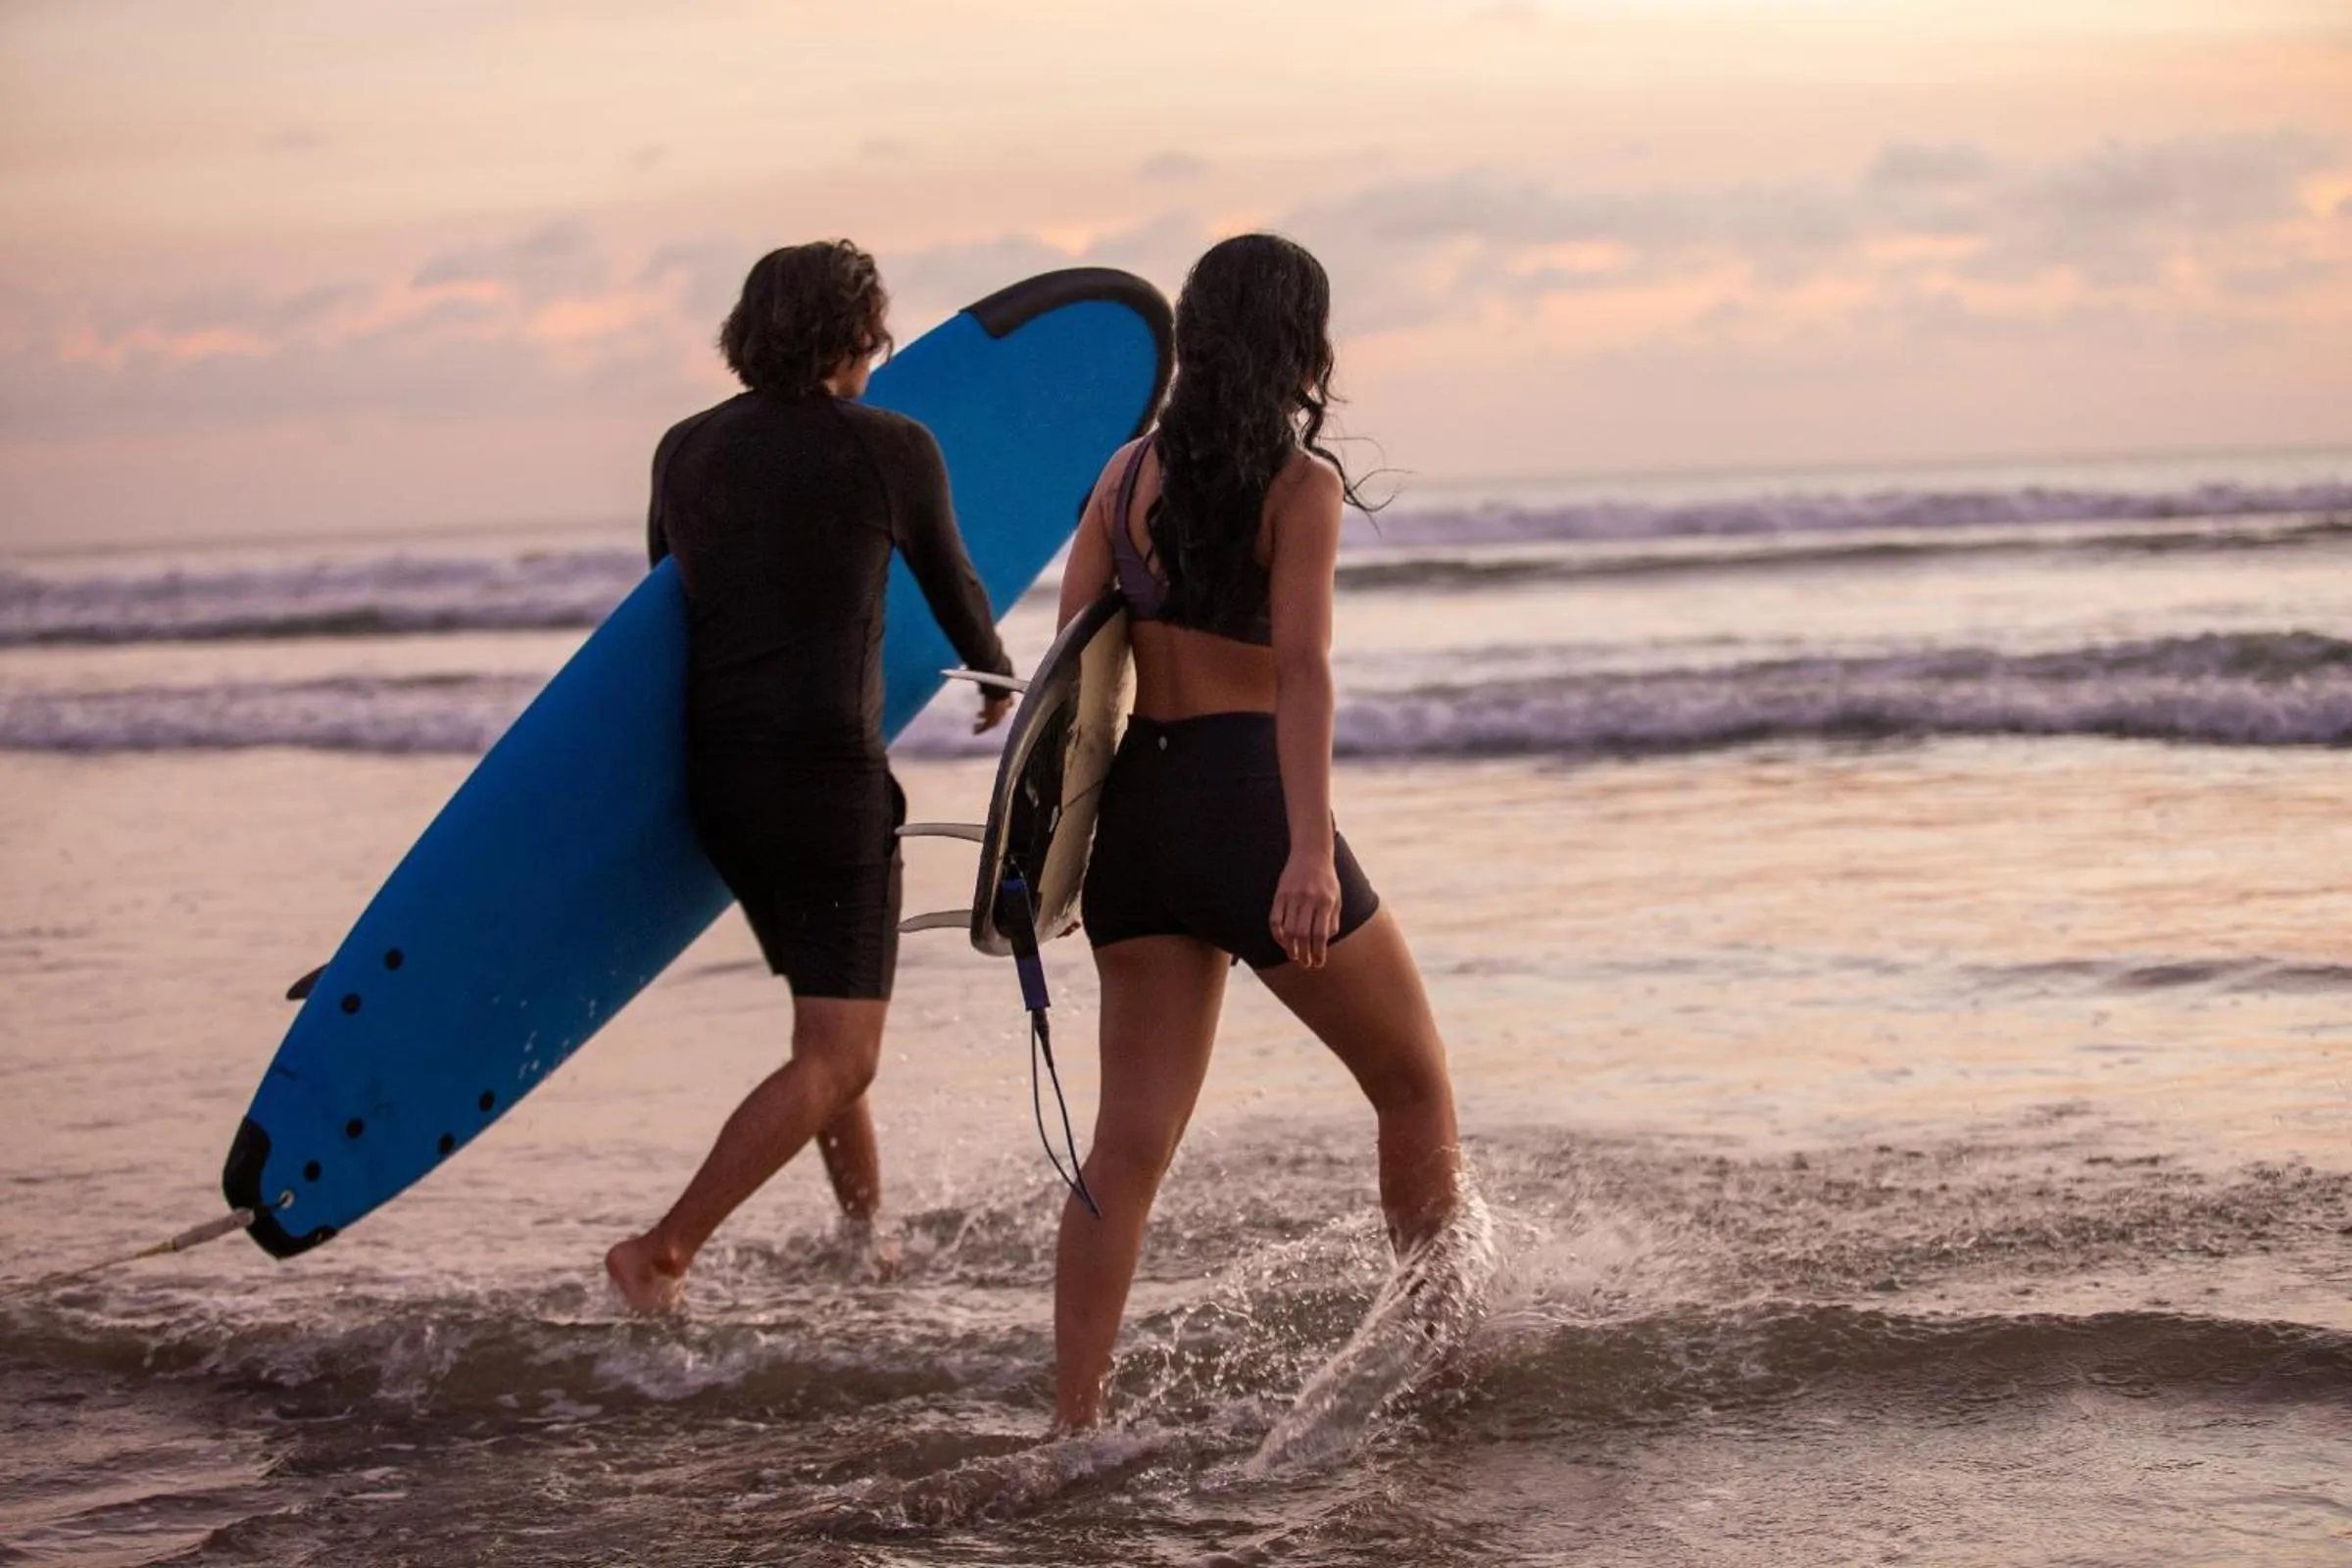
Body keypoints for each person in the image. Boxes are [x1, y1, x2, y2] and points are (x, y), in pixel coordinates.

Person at [1050, 234, 1469, 1429]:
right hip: (1248, 804)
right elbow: (1303, 673)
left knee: (1125, 1145)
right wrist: (1302, 853)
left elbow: (1074, 668)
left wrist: (1057, 852)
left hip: (1140, 814)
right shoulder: (1302, 485)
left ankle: (1074, 1419)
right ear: (1303, 342)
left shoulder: (1124, 474)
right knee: (1413, 1087)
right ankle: (1445, 1365)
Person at [607, 240, 1015, 1312]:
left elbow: (664, 602)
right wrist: (999, 677)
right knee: (842, 1056)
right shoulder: (891, 445)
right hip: (827, 786)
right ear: (857, 333)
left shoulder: (684, 449)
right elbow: (952, 576)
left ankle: (865, 1238)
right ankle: (664, 1249)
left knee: (822, 1028)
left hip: (722, 788)